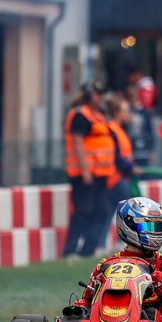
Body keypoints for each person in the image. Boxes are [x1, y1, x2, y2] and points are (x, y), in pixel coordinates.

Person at [76, 198, 162, 322]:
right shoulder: (107, 264)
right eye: (148, 227)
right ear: (128, 226)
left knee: (150, 314)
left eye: (156, 227)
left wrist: (154, 277)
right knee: (83, 312)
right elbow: (87, 297)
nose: (154, 233)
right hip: (108, 321)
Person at [61, 85, 116, 257]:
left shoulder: (97, 116)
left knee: (101, 210)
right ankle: (70, 250)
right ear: (88, 96)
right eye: (97, 94)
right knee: (83, 212)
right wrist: (85, 171)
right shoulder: (80, 115)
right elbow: (77, 143)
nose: (100, 98)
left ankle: (88, 250)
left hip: (100, 173)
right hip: (86, 173)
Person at [105, 95, 137, 207]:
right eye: (126, 111)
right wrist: (131, 167)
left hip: (120, 176)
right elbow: (116, 155)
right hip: (115, 177)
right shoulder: (111, 130)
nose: (129, 114)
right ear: (116, 113)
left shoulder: (119, 129)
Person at [124, 80, 155, 165]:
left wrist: (151, 149)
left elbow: (149, 131)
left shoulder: (144, 113)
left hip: (143, 147)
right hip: (131, 146)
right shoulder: (125, 112)